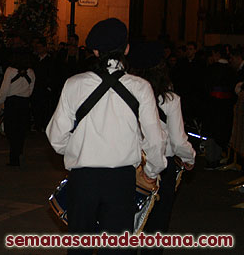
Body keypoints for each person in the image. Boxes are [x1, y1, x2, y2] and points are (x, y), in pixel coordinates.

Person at [46, 18, 166, 251]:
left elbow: (56, 137)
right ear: (127, 49)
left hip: (83, 180)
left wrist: (79, 149)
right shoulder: (141, 87)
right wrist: (152, 171)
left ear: (94, 50)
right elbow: (155, 139)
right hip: (121, 181)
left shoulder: (74, 84)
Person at [128, 41, 195, 255]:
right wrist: (189, 159)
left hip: (126, 166)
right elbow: (178, 141)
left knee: (123, 227)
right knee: (155, 229)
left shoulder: (123, 94)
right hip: (160, 169)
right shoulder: (170, 99)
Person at [0, 50, 35, 166]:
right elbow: (30, 90)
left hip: (12, 103)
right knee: (21, 130)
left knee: (11, 130)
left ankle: (14, 157)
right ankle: (18, 152)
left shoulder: (10, 71)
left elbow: (4, 89)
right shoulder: (31, 72)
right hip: (24, 103)